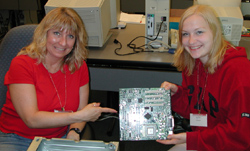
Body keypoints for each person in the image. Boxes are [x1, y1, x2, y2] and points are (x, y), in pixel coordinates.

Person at [0, 7, 117, 151]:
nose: (63, 43)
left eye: (70, 36)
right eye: (57, 33)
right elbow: (31, 119)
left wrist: (74, 132)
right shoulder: (22, 64)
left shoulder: (79, 66)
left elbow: (80, 110)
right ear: (44, 34)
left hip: (58, 137)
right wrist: (80, 116)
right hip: (17, 138)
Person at [157, 5, 250, 151]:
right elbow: (195, 111)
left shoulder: (238, 72)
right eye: (185, 34)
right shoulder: (193, 62)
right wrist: (177, 95)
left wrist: (192, 139)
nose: (191, 41)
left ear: (215, 32)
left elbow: (240, 137)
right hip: (207, 139)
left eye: (199, 32)